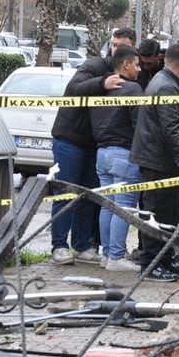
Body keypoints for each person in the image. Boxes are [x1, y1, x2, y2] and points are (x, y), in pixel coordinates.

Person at [48, 27, 136, 265]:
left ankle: (82, 245)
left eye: (123, 45)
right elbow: (73, 90)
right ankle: (58, 246)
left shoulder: (132, 76)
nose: (117, 49)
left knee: (90, 197)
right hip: (70, 139)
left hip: (97, 146)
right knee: (66, 193)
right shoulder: (95, 66)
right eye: (115, 44)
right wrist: (102, 83)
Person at [130, 43, 179, 281]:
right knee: (156, 213)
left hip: (159, 158)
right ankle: (151, 264)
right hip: (158, 160)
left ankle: (165, 260)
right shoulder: (167, 87)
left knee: (169, 214)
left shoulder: (163, 81)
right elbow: (171, 129)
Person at [91, 46, 144, 272]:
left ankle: (107, 254)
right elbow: (140, 124)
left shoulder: (100, 88)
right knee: (124, 207)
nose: (140, 69)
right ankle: (116, 256)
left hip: (102, 152)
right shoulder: (132, 89)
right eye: (137, 64)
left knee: (108, 206)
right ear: (126, 64)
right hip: (124, 153)